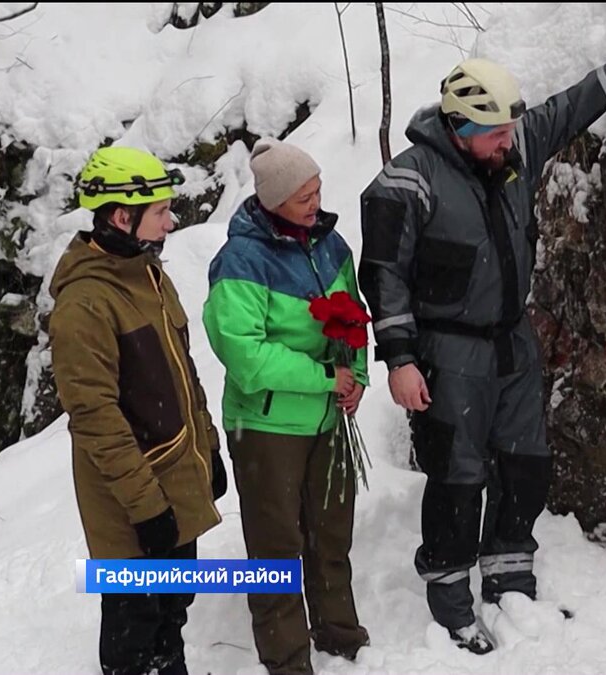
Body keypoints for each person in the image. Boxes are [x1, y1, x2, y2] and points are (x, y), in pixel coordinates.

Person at [358, 3, 606, 654]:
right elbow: (383, 275)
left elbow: (572, 106)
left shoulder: (513, 147)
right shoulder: (405, 183)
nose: (509, 142)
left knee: (524, 463)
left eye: (510, 130)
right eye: (495, 135)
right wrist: (400, 359)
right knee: (457, 475)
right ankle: (452, 599)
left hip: (512, 339)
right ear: (460, 128)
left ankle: (509, 578)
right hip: (447, 351)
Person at [50, 146, 224, 675]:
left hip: (174, 482)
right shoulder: (84, 305)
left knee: (172, 613)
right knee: (135, 630)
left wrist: (209, 449)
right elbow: (96, 421)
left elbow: (182, 374)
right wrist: (146, 507)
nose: (171, 221)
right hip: (130, 503)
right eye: (161, 211)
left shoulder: (148, 275)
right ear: (122, 217)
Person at [202, 139, 370, 675]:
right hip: (267, 425)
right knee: (275, 547)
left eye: (317, 190)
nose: (316, 202)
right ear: (273, 200)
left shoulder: (331, 245)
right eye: (303, 196)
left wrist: (357, 377)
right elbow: (245, 356)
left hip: (327, 417)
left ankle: (339, 633)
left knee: (330, 532)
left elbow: (354, 314)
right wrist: (325, 378)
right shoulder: (241, 260)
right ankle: (287, 658)